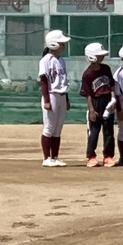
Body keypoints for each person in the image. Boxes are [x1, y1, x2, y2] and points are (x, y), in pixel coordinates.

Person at [80, 42, 117, 168]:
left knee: (109, 131)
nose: (102, 57)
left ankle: (108, 156)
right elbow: (88, 94)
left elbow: (111, 85)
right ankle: (91, 156)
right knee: (94, 131)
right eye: (99, 55)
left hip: (107, 101)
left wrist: (113, 99)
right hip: (96, 103)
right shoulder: (88, 74)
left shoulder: (106, 68)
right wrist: (91, 110)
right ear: (92, 57)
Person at [39, 29, 71, 167]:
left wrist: (67, 100)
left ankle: (55, 157)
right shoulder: (46, 60)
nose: (64, 46)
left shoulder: (61, 60)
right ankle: (47, 158)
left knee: (58, 128)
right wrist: (46, 100)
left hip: (61, 95)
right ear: (53, 44)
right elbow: (44, 80)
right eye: (61, 43)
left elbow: (63, 81)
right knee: (49, 127)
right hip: (51, 95)